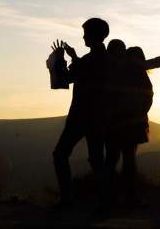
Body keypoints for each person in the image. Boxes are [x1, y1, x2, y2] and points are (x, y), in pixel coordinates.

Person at [106, 43, 160, 204]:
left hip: (114, 120)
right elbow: (157, 61)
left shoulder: (114, 69)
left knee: (112, 159)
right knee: (128, 159)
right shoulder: (135, 67)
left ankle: (109, 196)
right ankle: (129, 196)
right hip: (131, 121)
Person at [51, 18, 111, 206]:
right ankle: (104, 202)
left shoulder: (90, 60)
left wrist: (60, 59)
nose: (83, 36)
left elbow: (65, 79)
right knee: (96, 159)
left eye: (86, 33)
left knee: (60, 154)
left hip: (81, 116)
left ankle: (67, 198)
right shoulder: (105, 59)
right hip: (99, 116)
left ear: (94, 35)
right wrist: (73, 57)